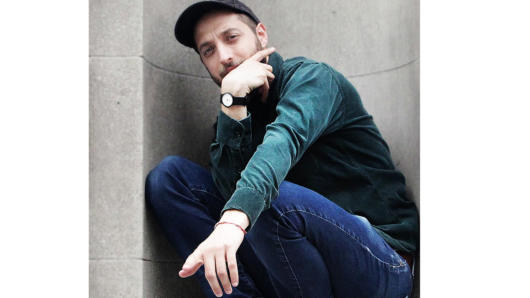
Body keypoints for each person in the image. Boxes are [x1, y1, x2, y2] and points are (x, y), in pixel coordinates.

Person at [145, 1, 419, 297]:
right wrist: (233, 106)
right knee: (170, 179)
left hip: (378, 263)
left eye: (231, 37)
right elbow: (229, 192)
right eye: (208, 50)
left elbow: (283, 142)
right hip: (295, 269)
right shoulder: (236, 111)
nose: (224, 56)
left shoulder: (311, 80)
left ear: (261, 35)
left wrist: (235, 221)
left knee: (267, 199)